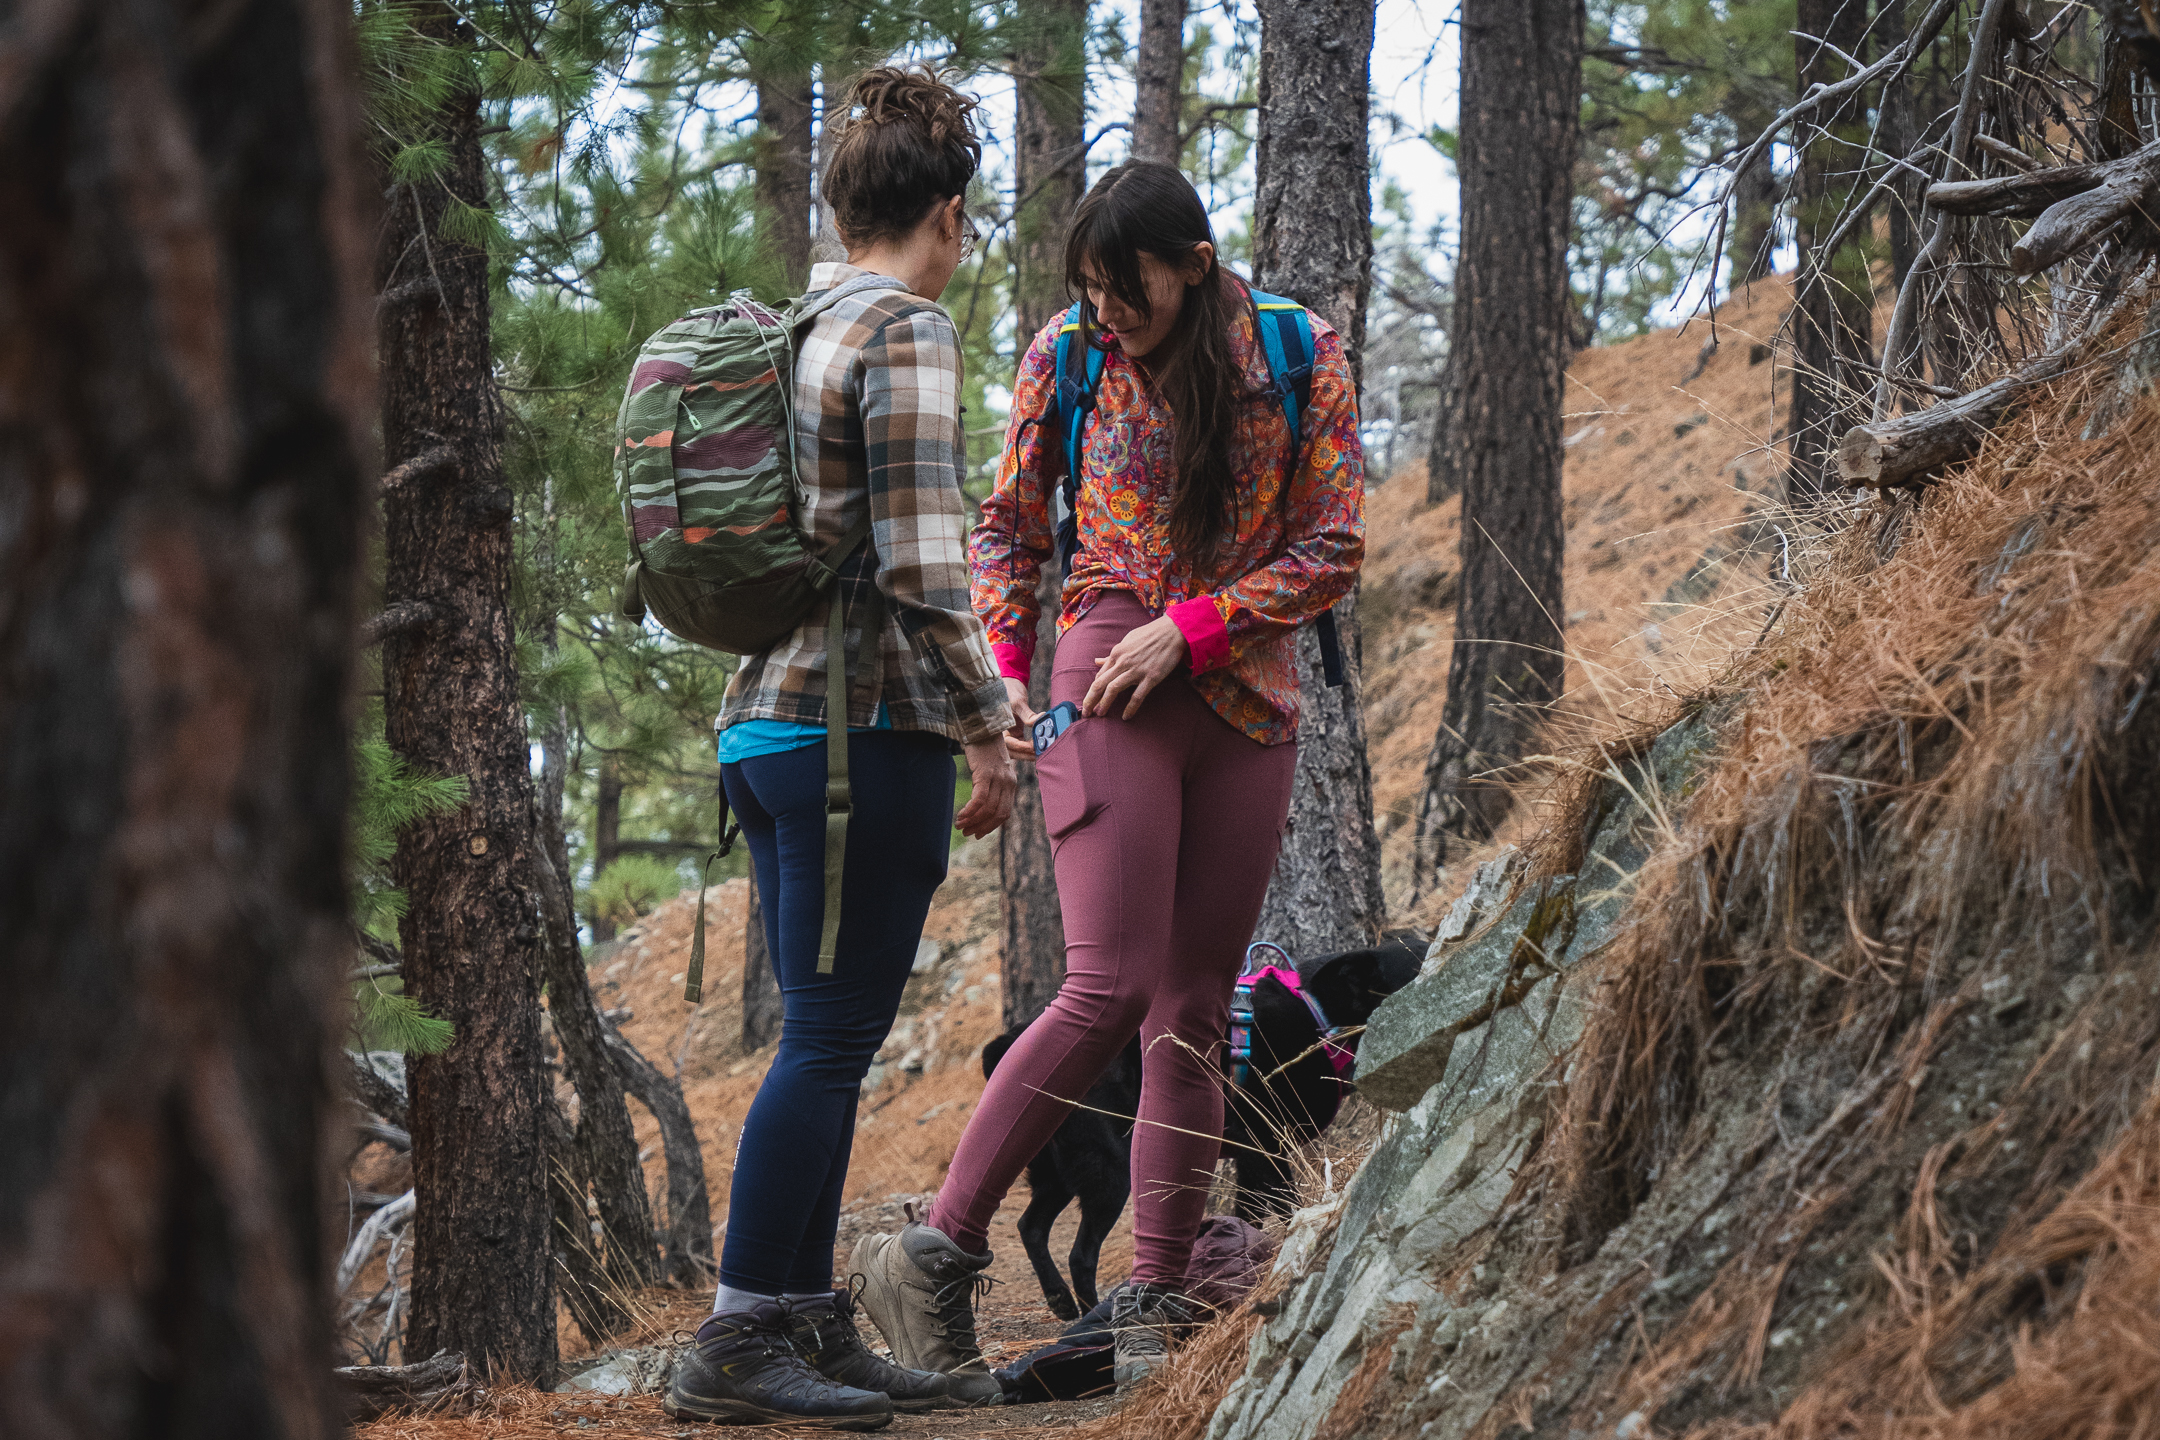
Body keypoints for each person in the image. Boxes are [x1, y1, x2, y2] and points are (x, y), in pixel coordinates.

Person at [851, 160, 1366, 1392]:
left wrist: (1197, 625)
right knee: (1110, 985)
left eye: (1124, 283)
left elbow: (1335, 543)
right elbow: (1011, 528)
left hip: (1245, 693)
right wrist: (1010, 669)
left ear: (1193, 260)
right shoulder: (1067, 353)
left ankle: (1156, 1291)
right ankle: (934, 1250)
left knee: (1199, 1005)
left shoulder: (1296, 349)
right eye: (1085, 285)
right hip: (1102, 670)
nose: (1105, 308)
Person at [664, 66, 1019, 1432]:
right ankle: (743, 1333)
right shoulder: (908, 329)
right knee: (826, 1036)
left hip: (768, 728)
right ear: (946, 211)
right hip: (854, 739)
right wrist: (989, 728)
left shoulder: (800, 320)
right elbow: (929, 567)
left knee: (832, 1033)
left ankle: (804, 1312)